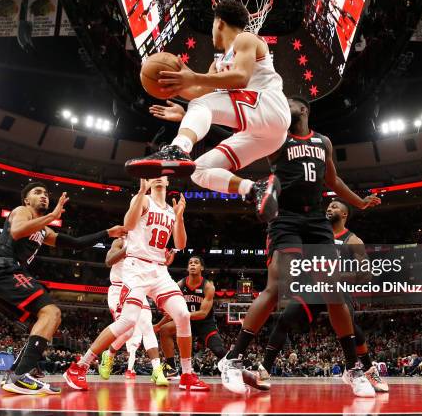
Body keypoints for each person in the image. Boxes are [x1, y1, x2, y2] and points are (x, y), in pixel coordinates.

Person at [215, 95, 381, 396]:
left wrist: (359, 203)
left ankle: (353, 368)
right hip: (285, 218)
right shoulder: (275, 136)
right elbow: (237, 134)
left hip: (316, 220)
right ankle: (233, 358)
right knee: (277, 287)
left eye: (288, 102)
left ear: (303, 108)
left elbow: (334, 181)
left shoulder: (323, 142)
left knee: (333, 293)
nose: (281, 105)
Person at [126, 0, 291, 223]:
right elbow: (199, 92)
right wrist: (176, 89)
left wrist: (193, 79)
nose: (212, 31)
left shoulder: (246, 39)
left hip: (270, 106)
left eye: (212, 25)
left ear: (219, 22)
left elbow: (241, 77)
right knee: (198, 171)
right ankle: (255, 189)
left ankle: (177, 149)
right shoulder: (218, 65)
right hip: (268, 135)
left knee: (201, 105)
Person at [0, 182, 126, 395]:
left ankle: (16, 374)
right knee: (52, 311)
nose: (44, 196)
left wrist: (107, 232)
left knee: (42, 321)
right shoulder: (21, 211)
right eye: (37, 193)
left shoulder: (43, 230)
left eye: (46, 194)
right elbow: (18, 231)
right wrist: (53, 214)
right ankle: (21, 376)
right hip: (2, 268)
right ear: (27, 200)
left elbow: (76, 244)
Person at [64, 177, 209, 391]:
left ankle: (187, 374)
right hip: (136, 267)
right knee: (128, 321)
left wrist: (179, 217)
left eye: (162, 174)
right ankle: (80, 366)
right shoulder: (143, 200)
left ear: (168, 181)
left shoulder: (171, 209)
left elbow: (180, 244)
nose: (159, 177)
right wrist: (141, 192)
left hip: (159, 269)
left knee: (183, 314)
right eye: (154, 174)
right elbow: (129, 225)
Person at [253, 199, 389, 393]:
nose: (329, 208)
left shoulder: (352, 240)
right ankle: (264, 369)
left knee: (349, 327)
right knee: (285, 320)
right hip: (313, 287)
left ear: (344, 214)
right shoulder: (315, 235)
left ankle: (367, 369)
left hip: (338, 288)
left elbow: (366, 274)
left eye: (334, 207)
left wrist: (336, 275)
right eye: (328, 206)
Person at [97, 236, 171, 386]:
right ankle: (109, 354)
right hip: (119, 289)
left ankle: (157, 370)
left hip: (137, 288)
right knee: (128, 331)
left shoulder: (148, 244)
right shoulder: (120, 240)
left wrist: (164, 263)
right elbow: (108, 261)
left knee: (147, 326)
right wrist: (129, 249)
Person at [154, 255, 226, 378]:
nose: (192, 264)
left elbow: (203, 313)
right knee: (165, 330)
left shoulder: (208, 286)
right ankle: (171, 367)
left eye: (196, 262)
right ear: (187, 268)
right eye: (190, 262)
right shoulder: (180, 285)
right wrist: (158, 325)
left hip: (205, 323)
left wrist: (182, 315)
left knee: (218, 350)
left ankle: (237, 367)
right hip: (186, 322)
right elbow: (172, 310)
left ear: (201, 267)